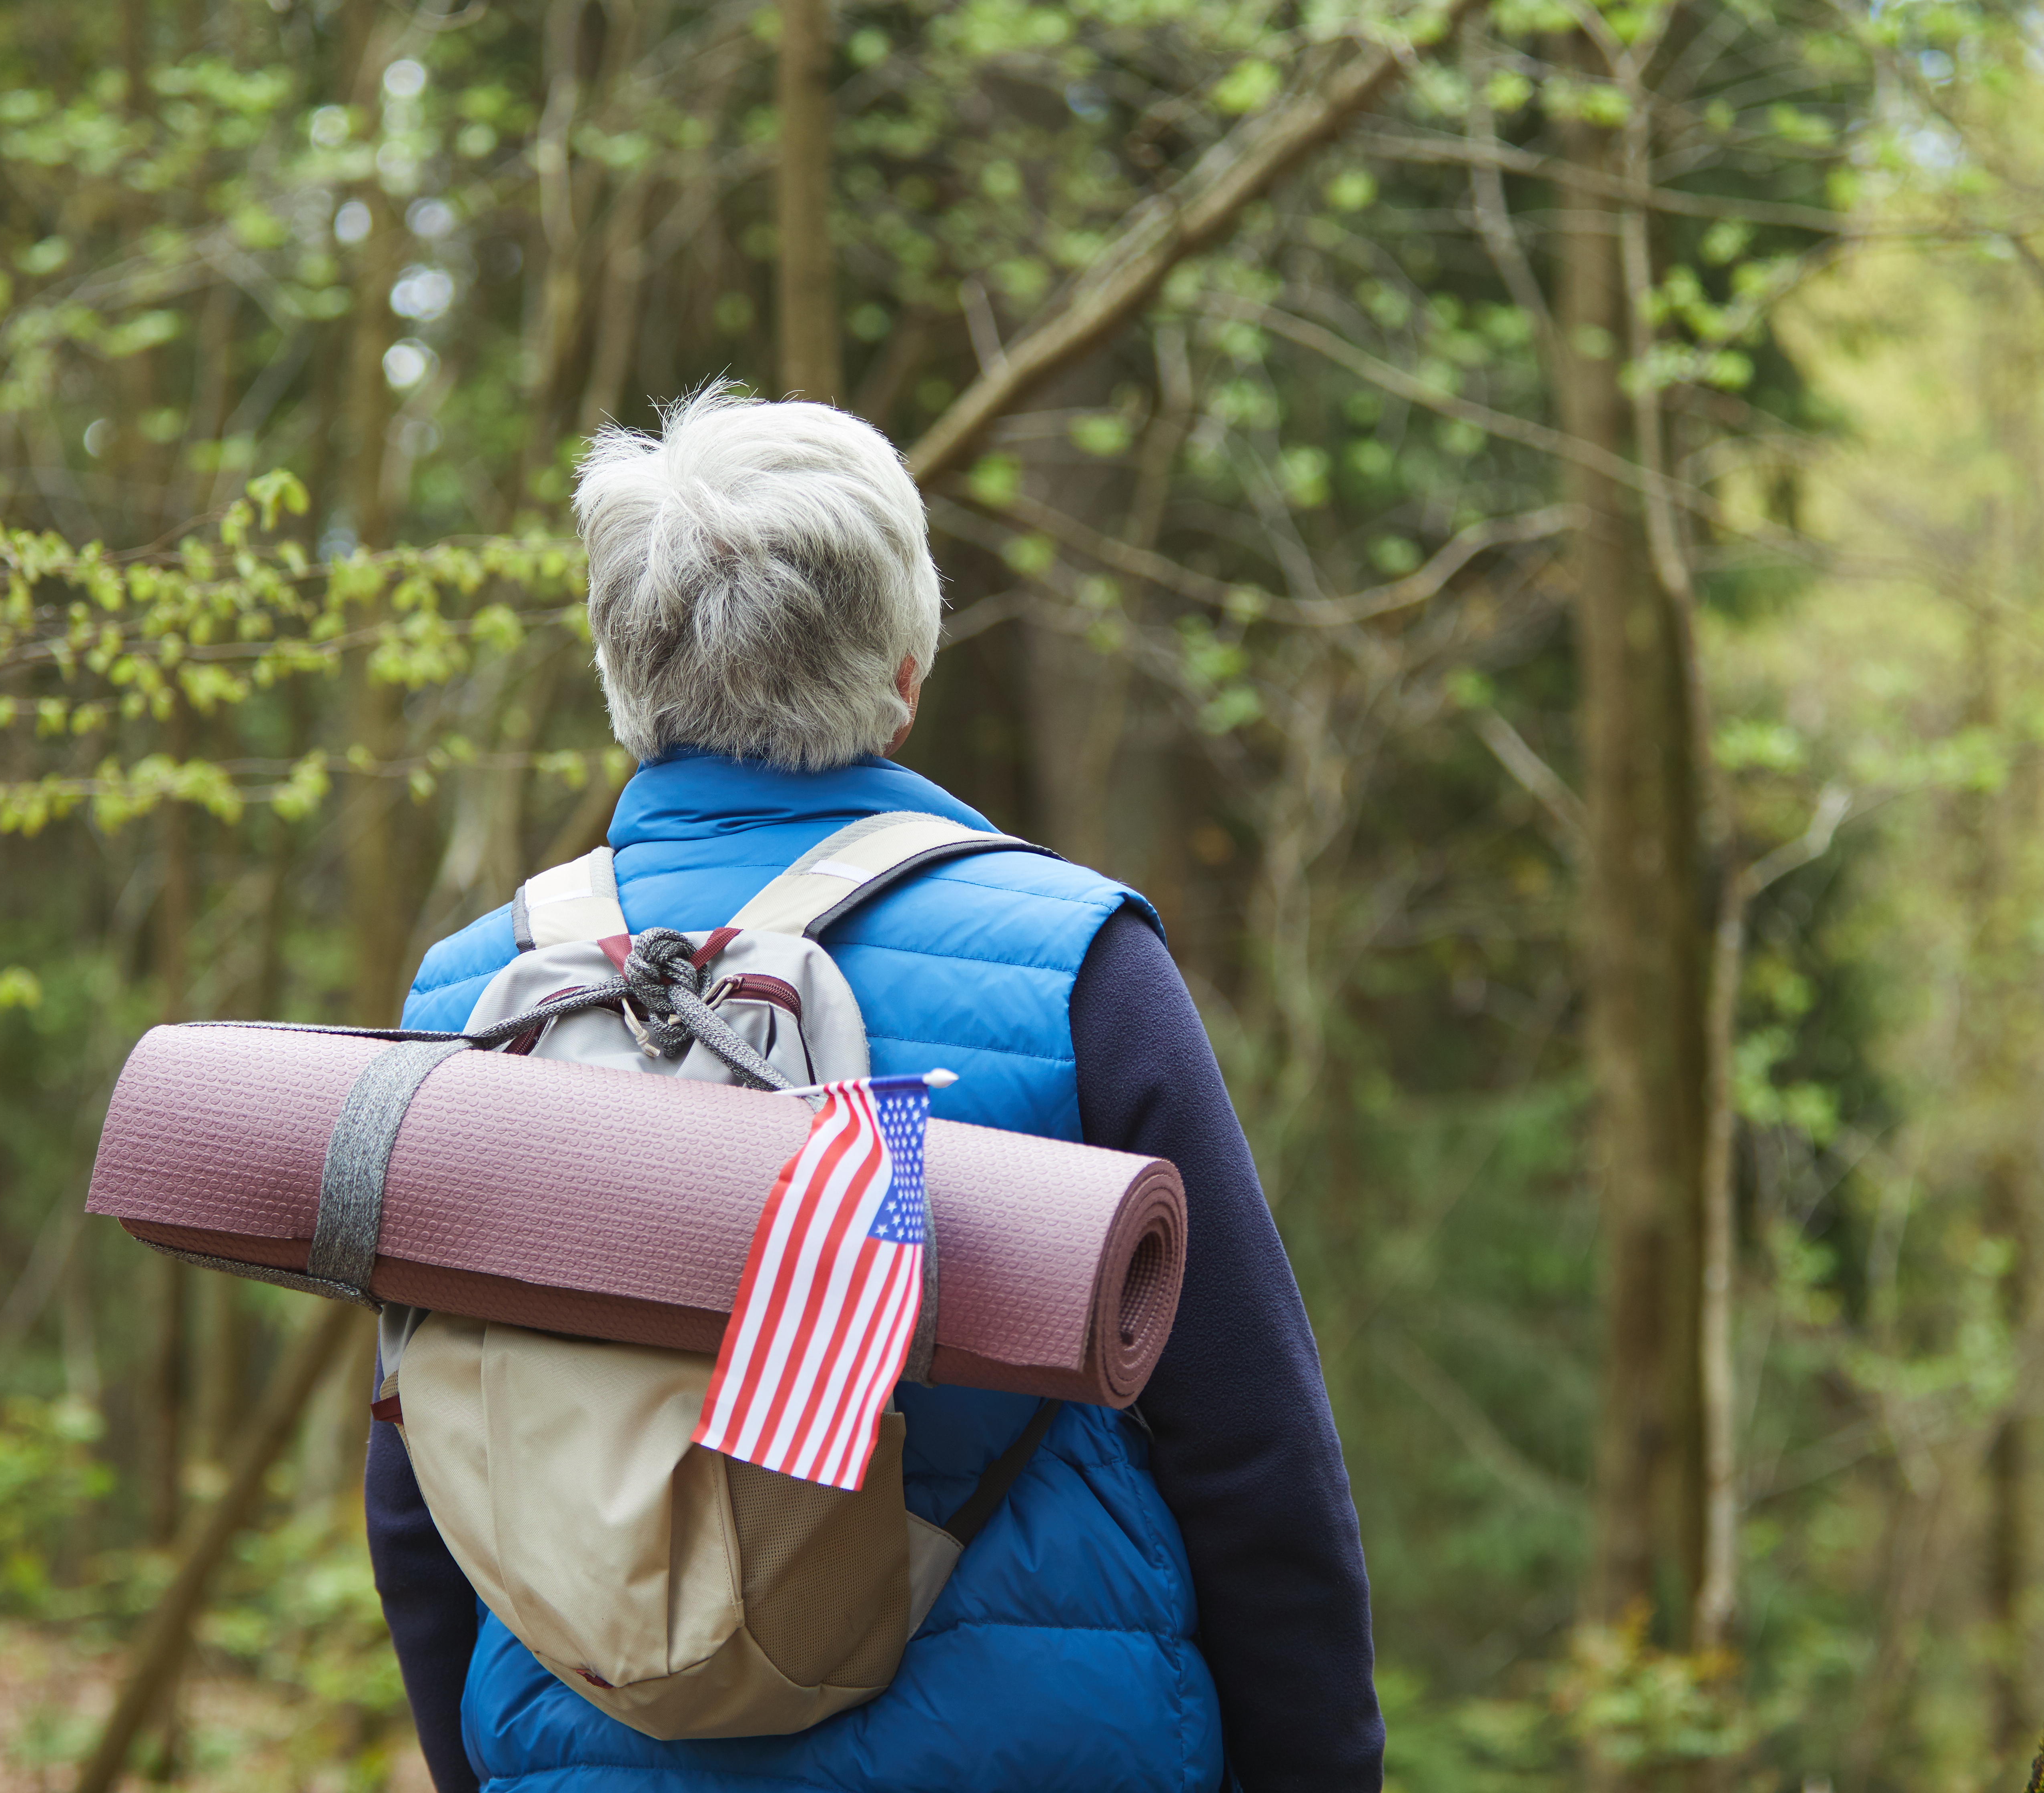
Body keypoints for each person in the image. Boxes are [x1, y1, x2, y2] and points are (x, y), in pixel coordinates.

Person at [365, 385, 1380, 1792]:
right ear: (908, 663)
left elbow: (421, 1473)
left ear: (620, 676)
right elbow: (1250, 1446)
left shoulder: (477, 997)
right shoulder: (1079, 961)